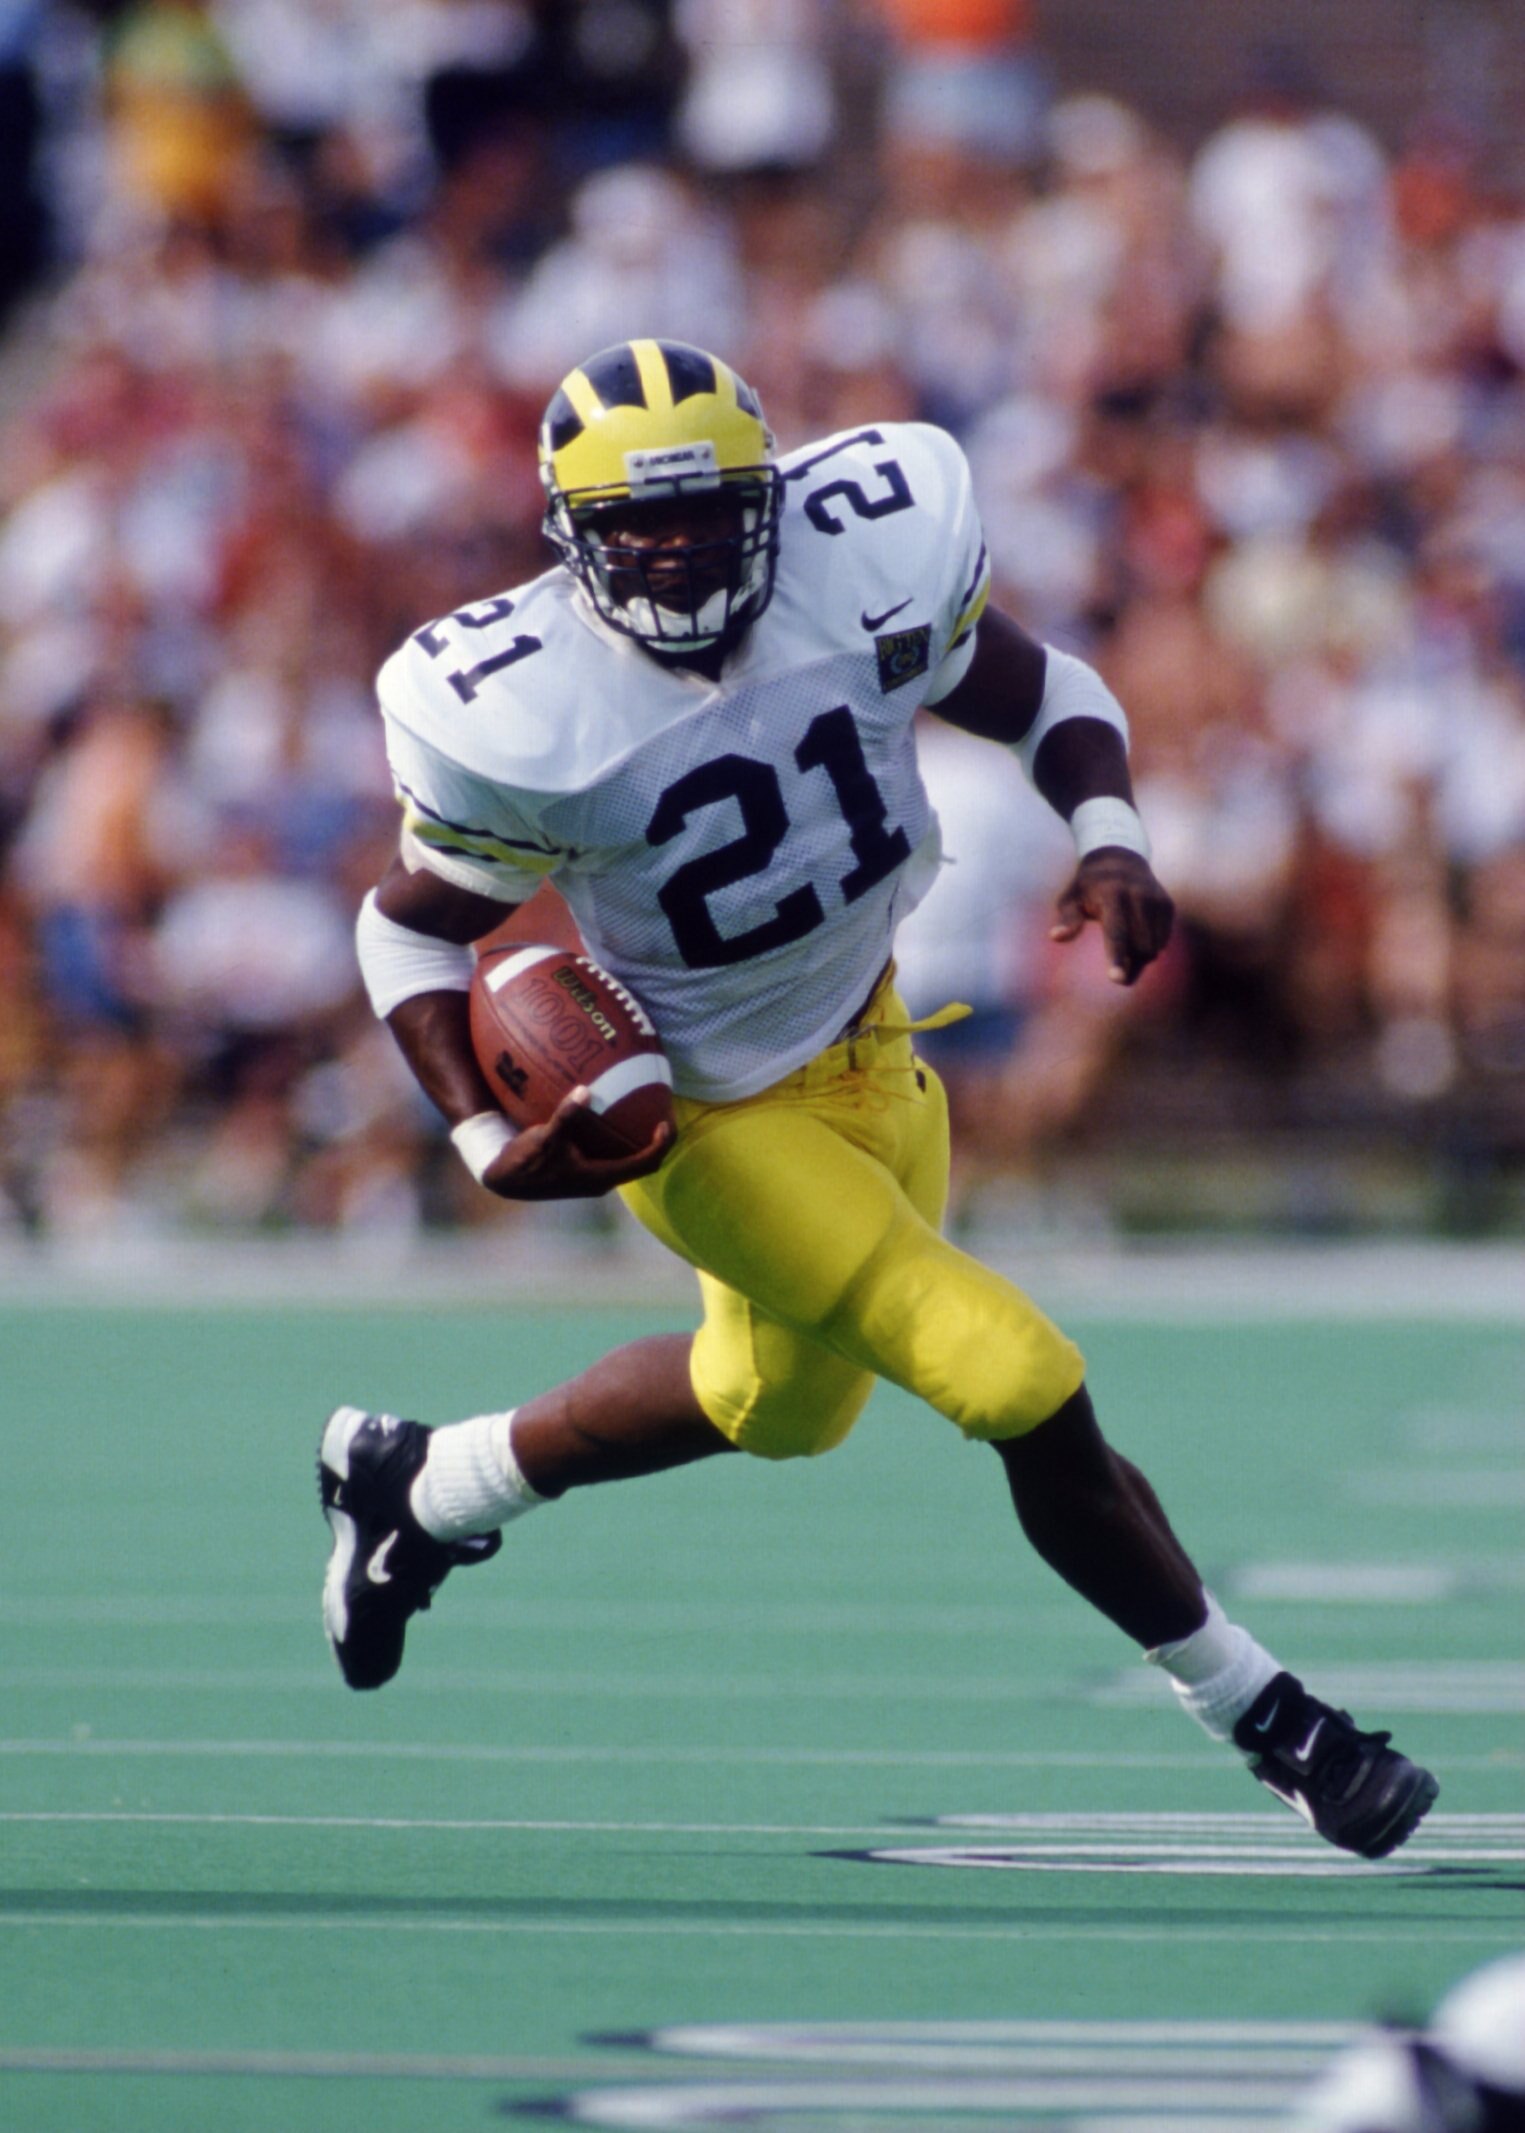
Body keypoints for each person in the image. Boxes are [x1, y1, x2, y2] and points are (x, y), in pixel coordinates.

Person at [318, 336, 1438, 1862]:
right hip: (711, 1119)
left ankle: (419, 1485)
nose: (676, 551)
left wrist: (1107, 831)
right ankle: (1275, 1720)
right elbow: (404, 929)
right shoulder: (522, 706)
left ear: (768, 500)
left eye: (707, 511)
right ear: (571, 535)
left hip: (873, 1035)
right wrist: (477, 1132)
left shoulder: (862, 560)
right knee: (1013, 1375)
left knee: (772, 1405)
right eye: (639, 525)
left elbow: (1042, 689)